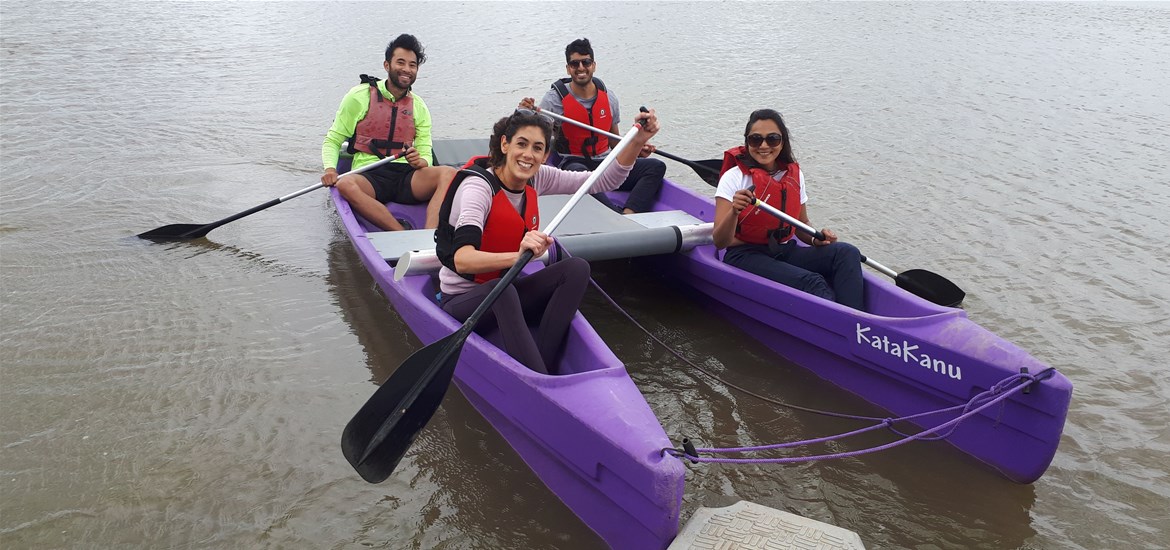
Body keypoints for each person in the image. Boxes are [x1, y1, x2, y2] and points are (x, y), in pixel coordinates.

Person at [434, 108, 660, 374]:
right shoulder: (478, 189)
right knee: (502, 291)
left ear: (545, 155)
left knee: (576, 268)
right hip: (463, 298)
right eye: (521, 144)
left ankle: (543, 363)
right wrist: (517, 257)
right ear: (505, 144)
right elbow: (462, 260)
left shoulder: (538, 177)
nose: (528, 155)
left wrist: (636, 142)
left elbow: (604, 180)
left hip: (506, 287)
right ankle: (537, 377)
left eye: (537, 148)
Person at [712, 109, 865, 310]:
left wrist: (815, 239)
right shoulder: (734, 178)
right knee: (813, 282)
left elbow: (802, 224)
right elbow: (720, 241)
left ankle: (857, 319)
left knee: (846, 252)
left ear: (782, 141)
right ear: (747, 142)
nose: (764, 146)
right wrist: (734, 211)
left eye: (772, 139)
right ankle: (843, 324)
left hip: (782, 249)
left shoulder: (793, 175)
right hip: (745, 255)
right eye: (755, 139)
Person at [320, 34, 456, 231]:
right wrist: (330, 170)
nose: (406, 69)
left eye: (412, 65)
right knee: (344, 185)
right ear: (387, 65)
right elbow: (333, 140)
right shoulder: (359, 96)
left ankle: (430, 236)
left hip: (406, 176)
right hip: (368, 174)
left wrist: (420, 162)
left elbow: (425, 151)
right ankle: (399, 232)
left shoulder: (419, 106)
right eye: (400, 62)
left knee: (449, 173)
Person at [518, 37, 664, 214]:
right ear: (568, 68)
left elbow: (614, 142)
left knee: (655, 167)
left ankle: (629, 213)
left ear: (593, 65)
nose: (581, 68)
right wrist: (523, 112)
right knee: (580, 175)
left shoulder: (609, 98)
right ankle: (614, 215)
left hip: (605, 161)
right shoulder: (553, 100)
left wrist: (637, 148)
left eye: (586, 62)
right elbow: (534, 134)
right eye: (575, 64)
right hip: (574, 164)